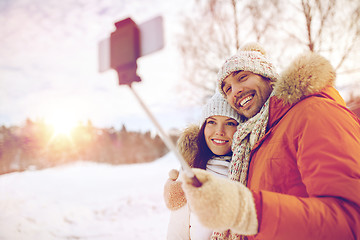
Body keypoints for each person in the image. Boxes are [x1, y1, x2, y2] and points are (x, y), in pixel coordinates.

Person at [179, 43, 360, 240]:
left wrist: (246, 211)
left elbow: (352, 219)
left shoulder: (314, 112)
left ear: (268, 77)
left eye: (243, 77)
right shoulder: (256, 139)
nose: (236, 91)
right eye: (227, 88)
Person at [165, 92, 243, 240]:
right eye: (212, 122)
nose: (219, 131)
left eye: (230, 123)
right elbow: (176, 233)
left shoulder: (250, 170)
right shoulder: (190, 172)